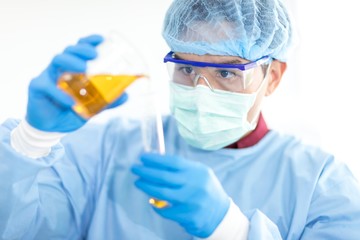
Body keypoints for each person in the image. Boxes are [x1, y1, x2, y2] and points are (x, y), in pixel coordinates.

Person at [1, 0, 360, 239]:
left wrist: (230, 229)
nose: (200, 90)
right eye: (187, 68)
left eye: (227, 74)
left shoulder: (320, 182)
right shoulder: (107, 149)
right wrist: (32, 140)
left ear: (274, 77)